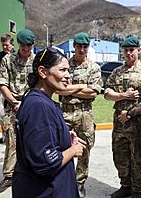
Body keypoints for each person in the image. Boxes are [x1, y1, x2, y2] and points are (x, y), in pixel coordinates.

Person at [12, 47, 86, 198]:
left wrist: (63, 136)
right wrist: (74, 150)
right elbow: (46, 162)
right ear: (43, 72)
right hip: (45, 190)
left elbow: (39, 136)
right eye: (62, 70)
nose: (68, 76)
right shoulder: (39, 106)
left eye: (68, 70)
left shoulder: (35, 98)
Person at [104, 36, 141, 198]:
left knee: (138, 158)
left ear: (138, 51)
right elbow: (107, 93)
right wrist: (123, 95)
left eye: (131, 50)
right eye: (126, 50)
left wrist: (130, 113)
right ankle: (125, 185)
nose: (128, 53)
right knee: (120, 156)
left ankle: (137, 190)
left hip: (136, 124)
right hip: (119, 124)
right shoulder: (117, 72)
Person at [58, 32, 102, 197]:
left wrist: (71, 89)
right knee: (62, 147)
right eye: (79, 46)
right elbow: (59, 88)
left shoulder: (94, 67)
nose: (82, 50)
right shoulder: (64, 65)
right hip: (65, 112)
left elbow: (93, 93)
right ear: (74, 47)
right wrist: (82, 87)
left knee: (84, 150)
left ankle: (79, 183)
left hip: (85, 114)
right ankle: (63, 180)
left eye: (85, 46)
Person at [0, 29, 36, 194]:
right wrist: (14, 101)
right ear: (18, 43)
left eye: (29, 45)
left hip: (31, 107)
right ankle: (9, 176)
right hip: (12, 107)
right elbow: (2, 83)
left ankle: (32, 174)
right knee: (11, 142)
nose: (26, 48)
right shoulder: (8, 60)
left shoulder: (36, 61)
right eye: (23, 45)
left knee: (32, 141)